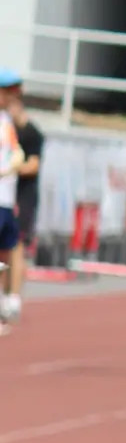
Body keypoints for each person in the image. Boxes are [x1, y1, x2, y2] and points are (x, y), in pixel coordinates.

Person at [0, 71, 42, 322]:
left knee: (10, 250)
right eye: (9, 91)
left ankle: (10, 299)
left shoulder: (12, 122)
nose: (14, 97)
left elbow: (26, 157)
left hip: (7, 200)